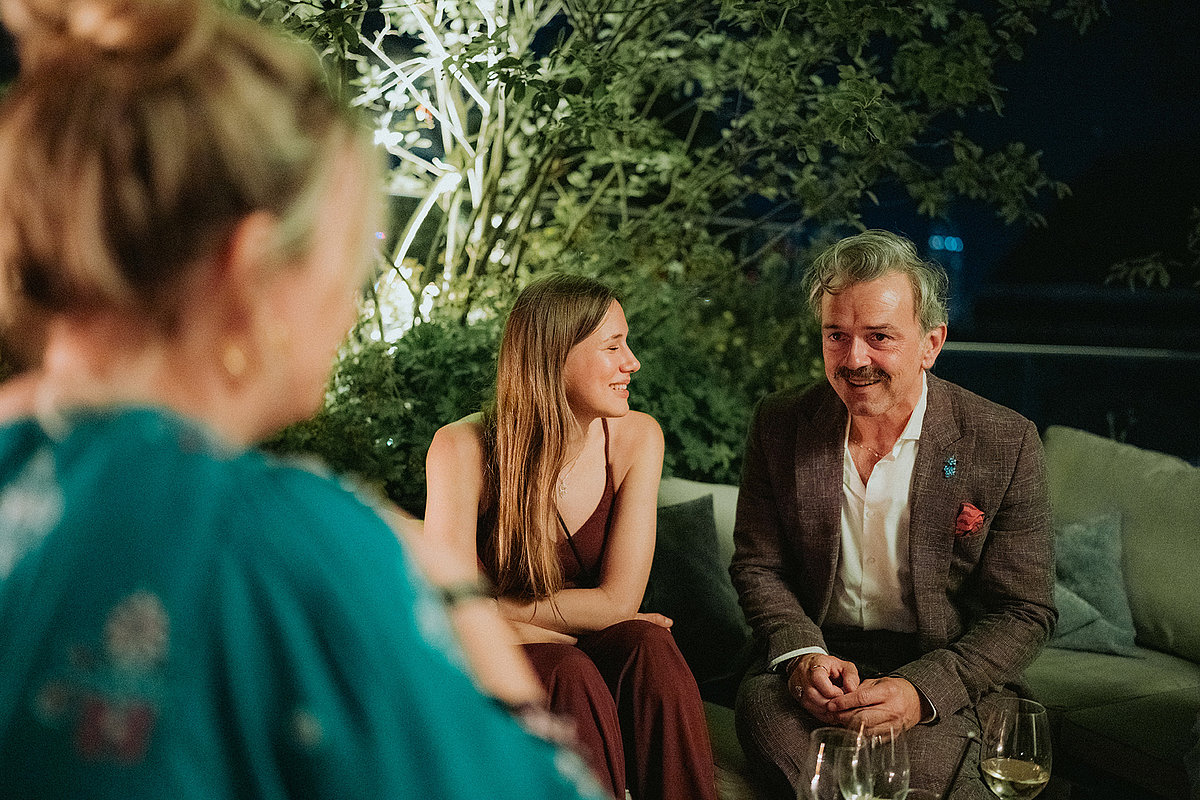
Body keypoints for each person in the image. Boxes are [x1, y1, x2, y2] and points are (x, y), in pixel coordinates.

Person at [0, 1, 607, 798]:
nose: (349, 309)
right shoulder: (276, 542)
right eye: (343, 265)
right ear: (250, 270)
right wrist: (456, 593)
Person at [729, 230, 1056, 799]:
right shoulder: (781, 423)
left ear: (931, 343)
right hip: (817, 664)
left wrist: (920, 692)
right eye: (837, 336)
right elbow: (758, 566)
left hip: (940, 666)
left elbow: (1026, 610)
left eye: (879, 337)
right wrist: (802, 654)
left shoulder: (1004, 440)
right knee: (792, 744)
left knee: (911, 778)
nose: (854, 359)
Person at [423, 273, 718, 800]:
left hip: (554, 637)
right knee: (569, 671)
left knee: (649, 644)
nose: (632, 362)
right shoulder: (461, 448)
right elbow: (456, 614)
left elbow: (618, 602)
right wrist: (569, 628)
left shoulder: (636, 438)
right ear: (554, 357)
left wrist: (503, 609)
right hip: (494, 657)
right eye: (613, 346)